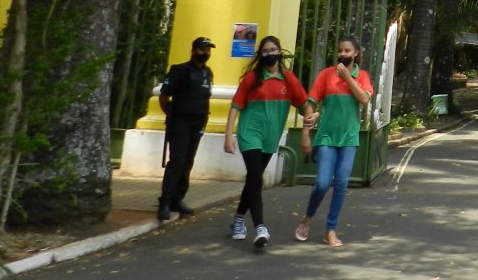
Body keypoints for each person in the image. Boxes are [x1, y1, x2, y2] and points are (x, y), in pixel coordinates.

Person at [223, 36, 313, 249]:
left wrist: (308, 126)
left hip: (270, 138)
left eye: (273, 50)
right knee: (256, 178)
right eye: (265, 51)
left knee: (253, 180)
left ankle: (238, 220)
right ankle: (260, 227)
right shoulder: (251, 79)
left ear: (279, 52)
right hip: (250, 134)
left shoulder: (288, 79)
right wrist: (228, 135)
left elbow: (305, 105)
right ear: (260, 55)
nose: (269, 54)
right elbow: (235, 106)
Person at [296, 36, 374, 248]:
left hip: (349, 138)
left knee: (341, 184)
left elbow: (364, 99)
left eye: (347, 51)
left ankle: (330, 230)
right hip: (327, 137)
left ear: (355, 53)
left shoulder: (363, 76)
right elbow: (311, 103)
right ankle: (308, 217)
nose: (342, 54)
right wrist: (306, 132)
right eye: (340, 51)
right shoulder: (325, 75)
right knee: (322, 182)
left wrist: (348, 77)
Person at [156, 36, 215, 222]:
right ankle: (165, 201)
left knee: (188, 161)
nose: (205, 53)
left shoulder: (208, 73)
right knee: (177, 160)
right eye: (202, 49)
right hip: (180, 121)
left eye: (208, 50)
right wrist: (171, 114)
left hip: (198, 122)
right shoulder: (180, 70)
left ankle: (177, 199)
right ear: (193, 51)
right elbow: (164, 96)